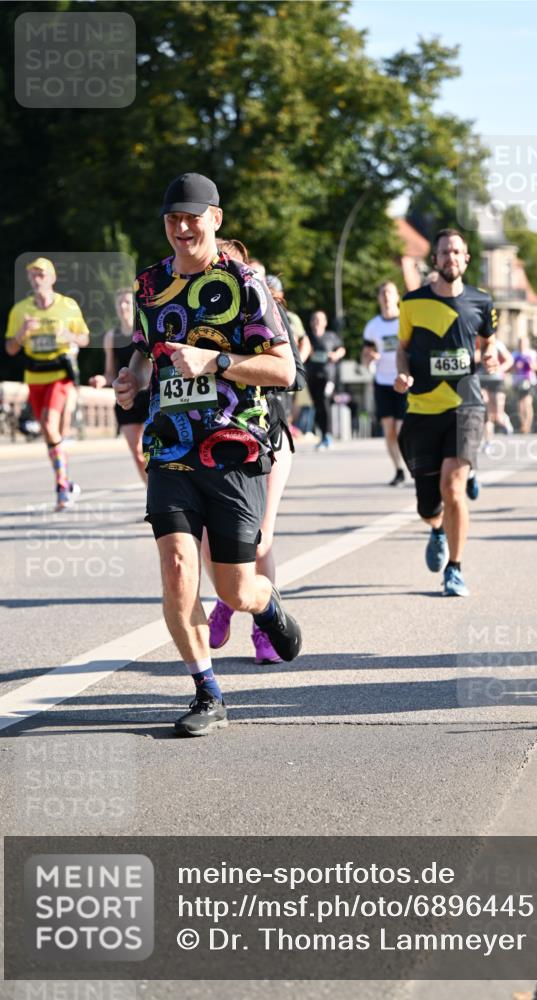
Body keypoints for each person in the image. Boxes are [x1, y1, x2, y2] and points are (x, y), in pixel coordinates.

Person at [113, 172, 302, 737]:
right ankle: (207, 691)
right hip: (170, 448)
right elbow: (144, 351)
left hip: (233, 449)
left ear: (215, 219)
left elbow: (285, 371)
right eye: (172, 218)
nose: (181, 227)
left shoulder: (244, 283)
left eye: (191, 217)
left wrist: (215, 361)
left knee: (234, 589)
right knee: (177, 568)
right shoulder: (150, 284)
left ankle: (266, 605)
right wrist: (131, 378)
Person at [205, 248, 308, 665]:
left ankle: (262, 627)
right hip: (212, 438)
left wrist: (236, 366)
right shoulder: (198, 316)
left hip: (268, 437)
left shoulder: (267, 311)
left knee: (259, 537)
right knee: (213, 537)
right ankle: (229, 596)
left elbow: (294, 375)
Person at [395, 229, 498, 597]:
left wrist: (490, 355)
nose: (450, 257)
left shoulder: (481, 302)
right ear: (435, 260)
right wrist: (403, 373)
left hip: (465, 405)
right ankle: (436, 528)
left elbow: (489, 341)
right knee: (428, 504)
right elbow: (402, 348)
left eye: (456, 251)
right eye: (444, 252)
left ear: (466, 258)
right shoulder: (412, 302)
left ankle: (454, 569)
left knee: (452, 487)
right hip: (423, 408)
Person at [5, 257, 89, 510]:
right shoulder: (20, 310)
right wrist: (22, 333)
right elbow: (10, 349)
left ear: (52, 278)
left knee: (50, 425)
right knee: (49, 432)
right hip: (35, 376)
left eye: (41, 274)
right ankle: (66, 481)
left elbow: (84, 338)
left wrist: (68, 335)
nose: (37, 279)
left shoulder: (68, 305)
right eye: (32, 275)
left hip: (60, 374)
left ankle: (61, 487)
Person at [89, 288, 148, 481]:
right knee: (137, 454)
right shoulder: (111, 337)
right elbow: (110, 373)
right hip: (126, 399)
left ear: (135, 305)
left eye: (127, 302)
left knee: (150, 450)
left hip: (149, 396)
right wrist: (102, 379)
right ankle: (149, 491)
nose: (123, 307)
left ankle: (157, 492)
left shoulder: (144, 331)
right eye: (119, 303)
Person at [361, 281, 407, 486]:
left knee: (401, 430)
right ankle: (399, 469)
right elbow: (365, 357)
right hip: (382, 382)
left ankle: (412, 462)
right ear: (379, 298)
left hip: (403, 380)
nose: (386, 296)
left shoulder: (405, 321)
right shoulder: (373, 326)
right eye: (383, 293)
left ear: (397, 296)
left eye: (390, 292)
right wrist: (369, 357)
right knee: (389, 430)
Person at [305, 310, 345, 449]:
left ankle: (327, 435)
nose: (317, 322)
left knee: (324, 402)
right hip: (312, 376)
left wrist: (336, 355)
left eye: (320, 319)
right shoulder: (307, 338)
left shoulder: (331, 336)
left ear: (325, 322)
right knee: (317, 405)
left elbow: (342, 349)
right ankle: (322, 435)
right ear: (311, 322)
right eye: (314, 319)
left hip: (328, 376)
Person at [479, 336, 514, 451]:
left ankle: (504, 420)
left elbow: (510, 360)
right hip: (482, 380)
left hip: (496, 380)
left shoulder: (497, 344)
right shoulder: (475, 344)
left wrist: (500, 369)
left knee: (497, 415)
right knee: (487, 413)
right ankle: (488, 442)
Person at [511, 334, 537, 433]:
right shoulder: (514, 354)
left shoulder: (532, 353)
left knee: (527, 403)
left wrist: (531, 365)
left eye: (523, 343)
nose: (522, 345)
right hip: (518, 381)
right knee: (520, 404)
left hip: (529, 381)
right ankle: (523, 424)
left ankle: (528, 425)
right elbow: (510, 368)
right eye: (520, 343)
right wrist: (516, 366)